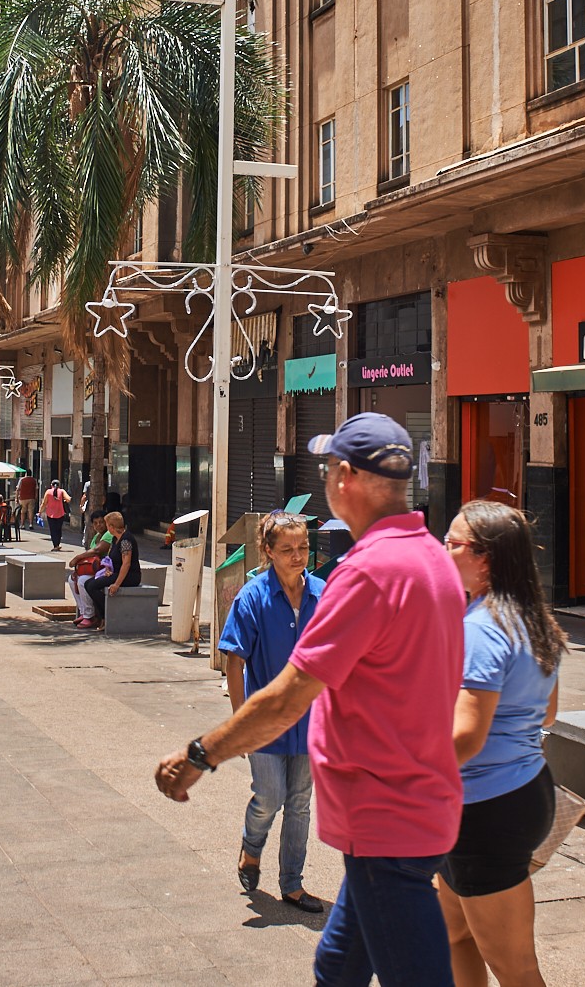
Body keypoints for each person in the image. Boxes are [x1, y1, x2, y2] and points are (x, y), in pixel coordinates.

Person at [154, 413, 462, 987]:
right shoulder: (432, 557)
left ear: (345, 476)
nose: (323, 480)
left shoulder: (365, 573)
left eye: (326, 468)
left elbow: (290, 694)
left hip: (386, 816)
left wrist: (201, 754)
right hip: (416, 803)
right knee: (335, 969)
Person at [438, 501, 568, 987]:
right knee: (453, 935)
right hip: (519, 791)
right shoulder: (530, 618)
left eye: (452, 543)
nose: (441, 549)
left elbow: (466, 736)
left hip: (484, 810)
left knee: (516, 968)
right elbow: (548, 712)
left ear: (485, 558)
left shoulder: (482, 628)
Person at [219, 511, 325, 912]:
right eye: (287, 550)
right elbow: (234, 661)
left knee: (299, 802)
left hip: (311, 721)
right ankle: (251, 846)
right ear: (268, 551)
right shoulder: (253, 597)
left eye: (303, 548)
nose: (298, 557)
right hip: (264, 723)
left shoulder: (322, 593)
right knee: (270, 796)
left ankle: (292, 884)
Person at [81, 511, 142, 631]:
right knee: (88, 584)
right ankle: (102, 615)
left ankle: (106, 616)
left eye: (107, 524)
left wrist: (116, 584)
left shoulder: (126, 540)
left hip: (129, 576)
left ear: (112, 527)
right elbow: (111, 559)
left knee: (93, 586)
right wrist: (107, 569)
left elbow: (126, 563)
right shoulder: (115, 540)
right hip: (116, 573)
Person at [42, 478, 71, 550]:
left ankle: (55, 545)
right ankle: (57, 544)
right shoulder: (62, 491)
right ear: (59, 485)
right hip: (60, 513)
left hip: (50, 514)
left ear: (51, 485)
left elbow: (44, 503)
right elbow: (68, 499)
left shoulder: (48, 492)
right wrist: (63, 500)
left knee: (53, 530)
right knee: (58, 529)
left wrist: (40, 511)